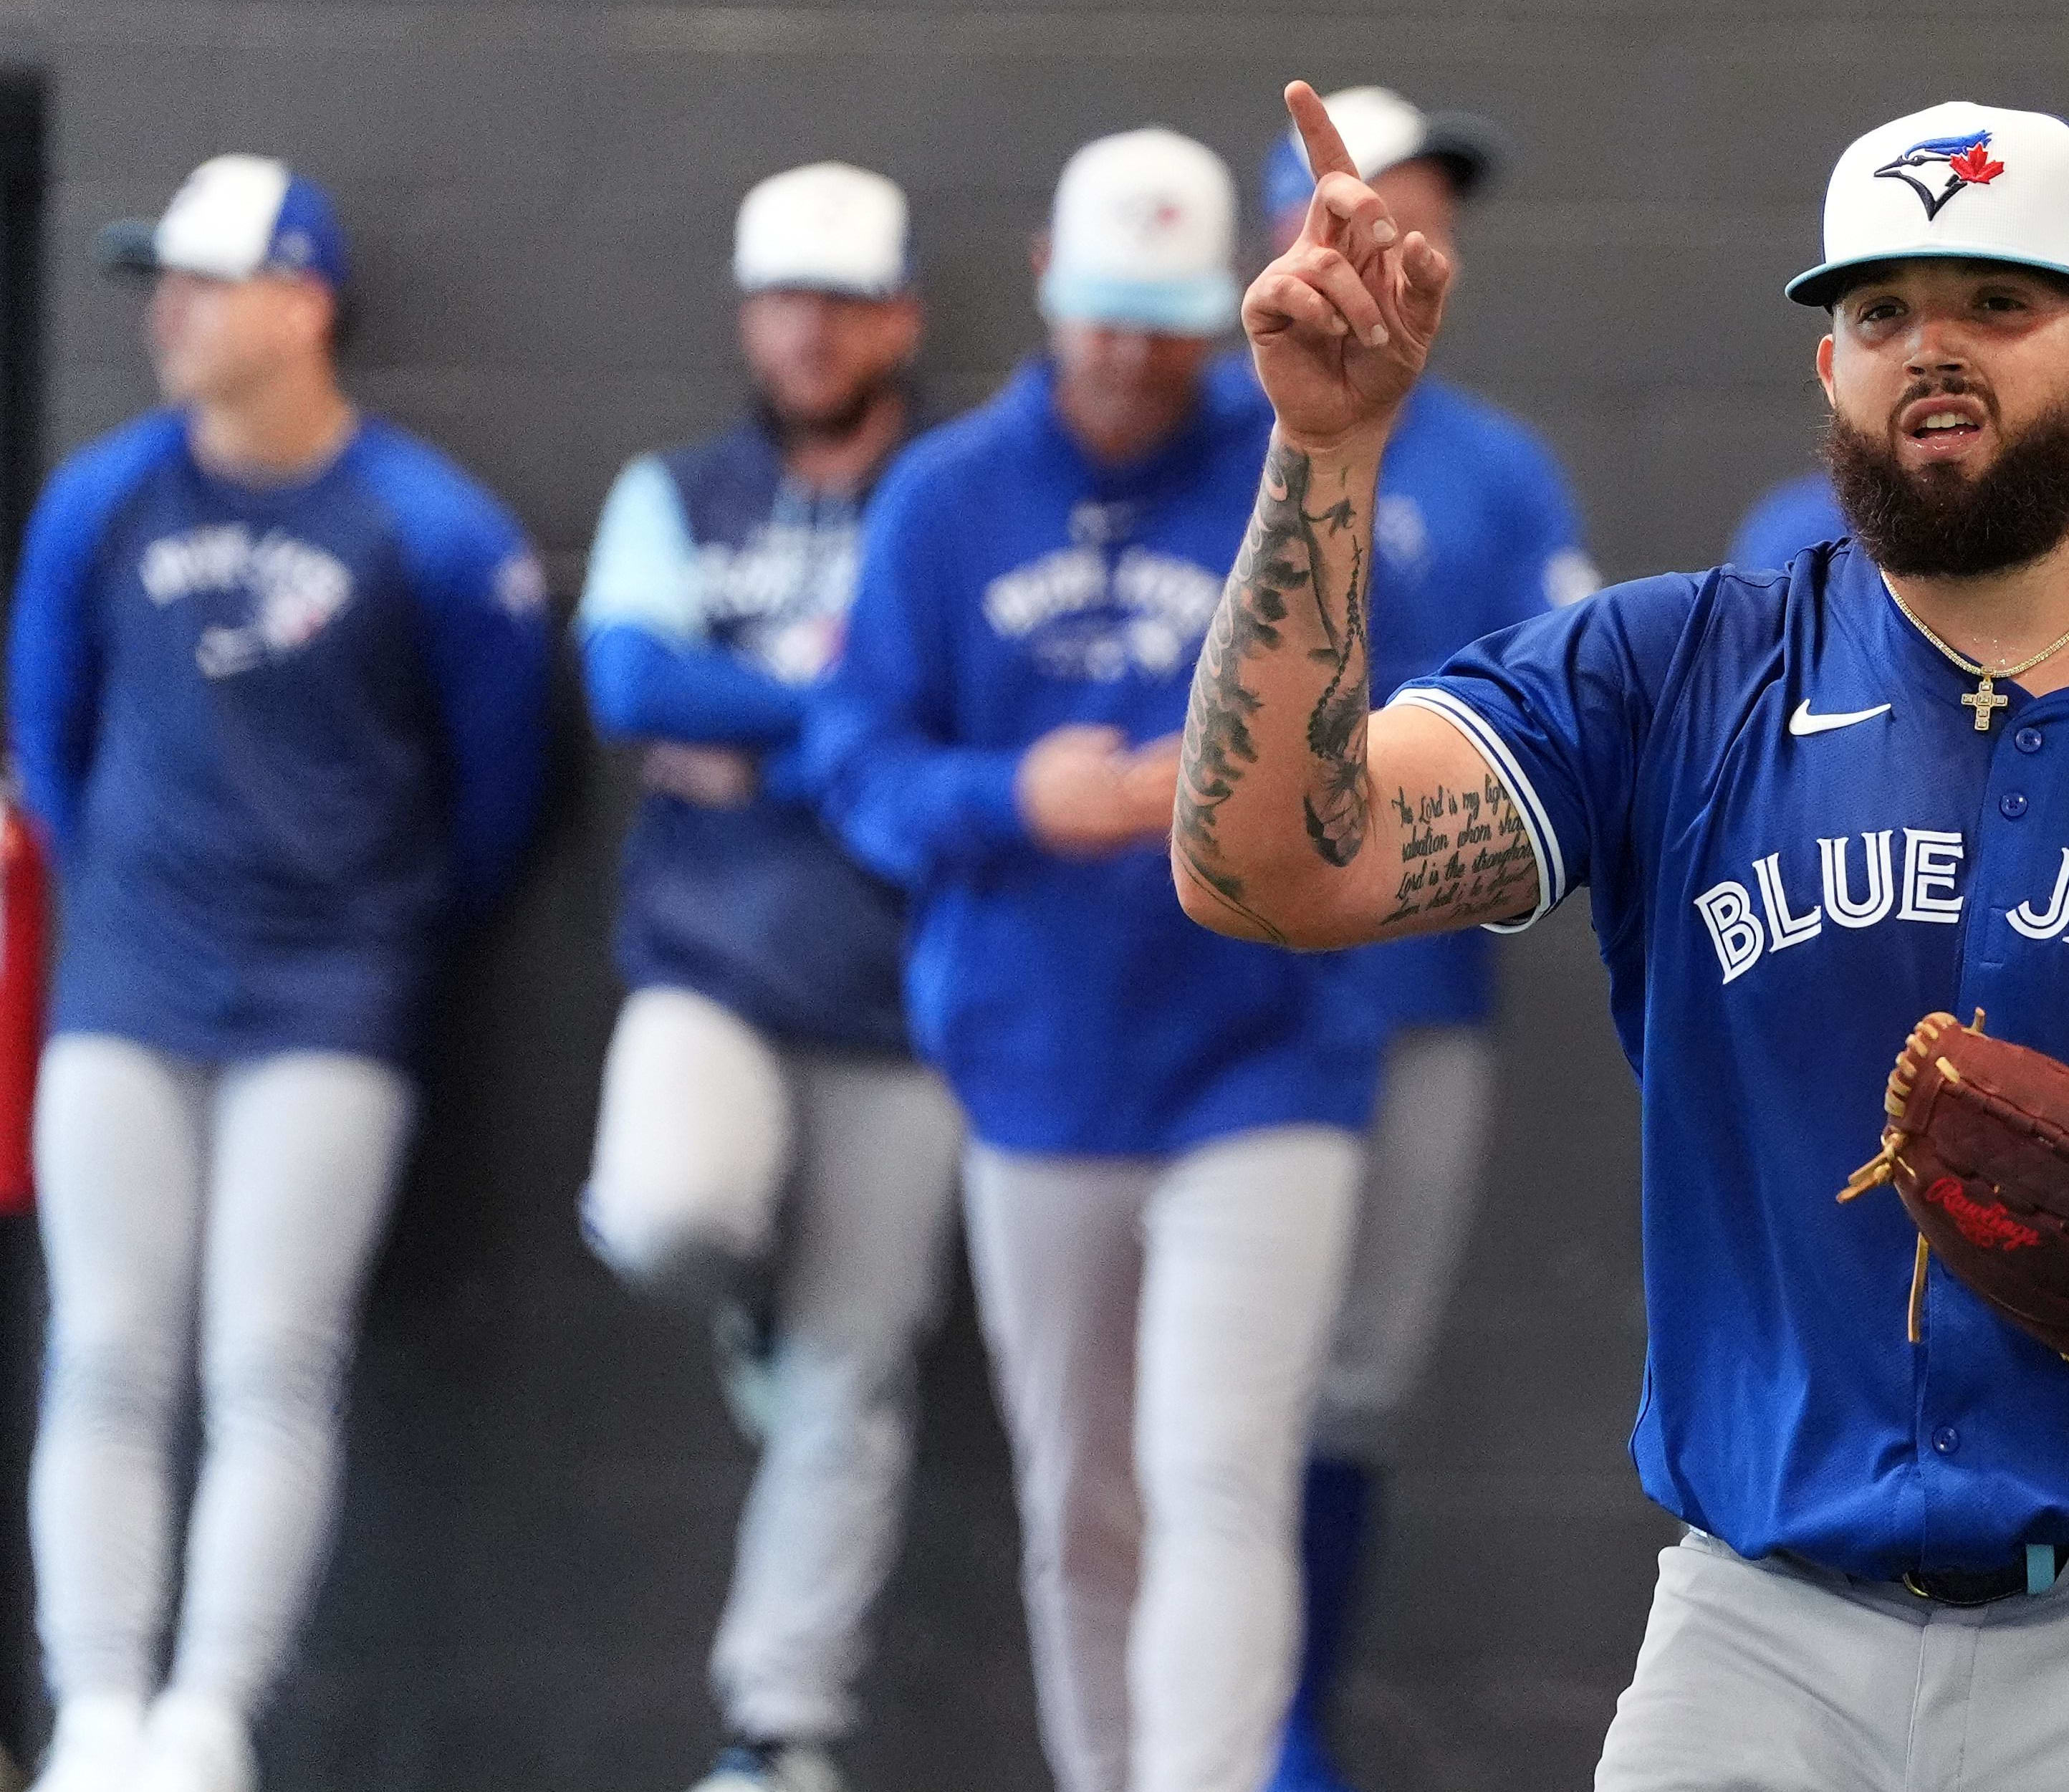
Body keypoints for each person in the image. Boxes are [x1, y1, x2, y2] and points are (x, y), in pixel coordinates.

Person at [1175, 82, 2069, 1791]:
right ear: (1827, 369)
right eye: (1878, 310)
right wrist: (1326, 451)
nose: (1929, 349)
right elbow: (1270, 870)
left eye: (1997, 302)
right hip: (1759, 1626)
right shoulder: (1670, 677)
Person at [809, 127, 1375, 1792]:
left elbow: (1378, 738)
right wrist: (1017, 798)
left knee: (1219, 1469)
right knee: (1081, 1501)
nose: (1131, 352)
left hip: (1265, 1057)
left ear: (1222, 313)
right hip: (1035, 1062)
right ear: (1049, 287)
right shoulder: (944, 499)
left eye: (1169, 318)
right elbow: (852, 760)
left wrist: (1225, 803)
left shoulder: (1292, 478)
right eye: (1106, 311)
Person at [7, 155, 550, 1792]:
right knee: (105, 1346)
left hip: (334, 999)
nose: (169, 312)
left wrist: (375, 933)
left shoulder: (435, 531)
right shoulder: (103, 500)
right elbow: (47, 737)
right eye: (158, 282)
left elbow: (504, 782)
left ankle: (206, 1724)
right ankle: (98, 1714)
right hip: (126, 988)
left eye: (204, 280)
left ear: (303, 303)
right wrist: (129, 912)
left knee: (270, 1358)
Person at [572, 162, 966, 1792]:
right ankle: (741, 1298)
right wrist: (851, 734)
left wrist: (752, 733)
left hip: (911, 1001)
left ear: (898, 315)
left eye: (837, 301)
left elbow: (971, 726)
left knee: (854, 1372)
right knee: (669, 1208)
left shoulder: (955, 497)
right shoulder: (678, 492)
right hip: (711, 969)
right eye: (779, 300)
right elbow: (623, 679)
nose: (805, 333)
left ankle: (777, 1730)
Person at [1243, 87, 1598, 1792]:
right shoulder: (1210, 416)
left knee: (1354, 1384)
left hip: (1414, 978)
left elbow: (1561, 718)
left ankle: (1294, 1725)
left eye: (1434, 200)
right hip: (1202, 1003)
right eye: (1378, 192)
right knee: (1192, 1401)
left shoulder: (1496, 461)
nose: (1408, 224)